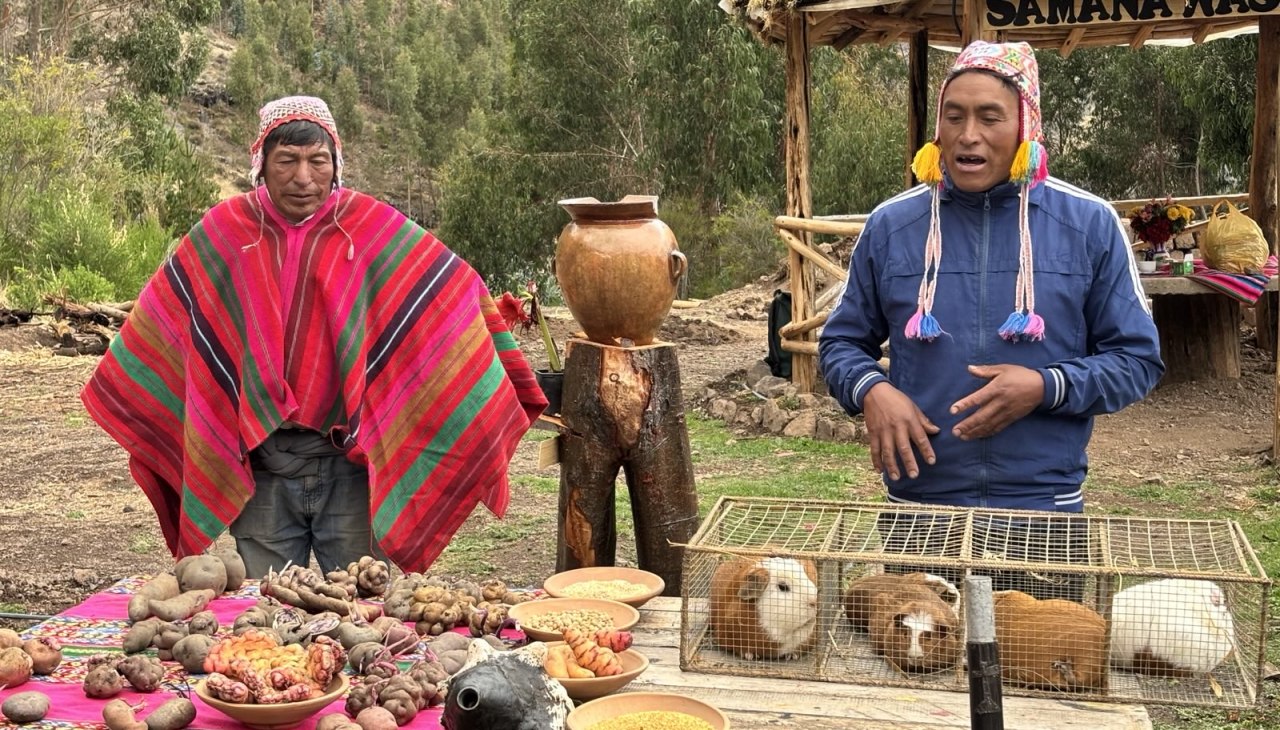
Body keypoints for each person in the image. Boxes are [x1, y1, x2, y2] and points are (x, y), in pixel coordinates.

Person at [81, 96, 547, 578]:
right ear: (261, 164)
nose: (303, 177)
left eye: (317, 161)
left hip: (350, 468)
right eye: (286, 161)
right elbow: (165, 325)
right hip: (261, 470)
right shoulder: (224, 232)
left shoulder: (369, 228)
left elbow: (448, 293)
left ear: (336, 164)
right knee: (263, 618)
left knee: (364, 614)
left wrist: (498, 361)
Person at [818, 42, 1163, 597]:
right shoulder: (892, 226)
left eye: (989, 117)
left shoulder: (1089, 225)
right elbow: (840, 344)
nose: (967, 134)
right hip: (920, 513)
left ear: (1027, 126)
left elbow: (1138, 361)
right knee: (918, 672)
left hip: (1042, 513)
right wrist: (871, 390)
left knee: (1041, 670)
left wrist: (1046, 386)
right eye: (953, 116)